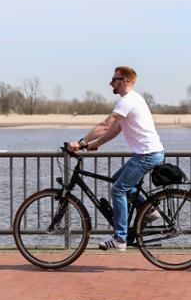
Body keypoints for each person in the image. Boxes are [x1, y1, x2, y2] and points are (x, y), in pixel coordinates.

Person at [67, 66, 164, 250]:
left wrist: (80, 142)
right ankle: (149, 211)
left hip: (146, 155)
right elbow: (115, 129)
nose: (111, 82)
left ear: (126, 81)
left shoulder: (127, 101)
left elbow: (105, 125)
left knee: (118, 190)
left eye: (115, 79)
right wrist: (96, 144)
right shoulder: (135, 99)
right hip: (148, 153)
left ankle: (120, 239)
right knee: (117, 180)